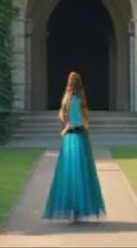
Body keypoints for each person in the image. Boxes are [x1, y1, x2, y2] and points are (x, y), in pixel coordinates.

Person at [43, 71, 106, 223]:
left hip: (68, 138)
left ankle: (69, 207)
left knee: (68, 172)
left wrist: (65, 127)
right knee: (81, 171)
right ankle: (79, 208)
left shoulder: (66, 98)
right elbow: (82, 122)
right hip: (79, 136)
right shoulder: (79, 100)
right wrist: (78, 124)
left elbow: (61, 115)